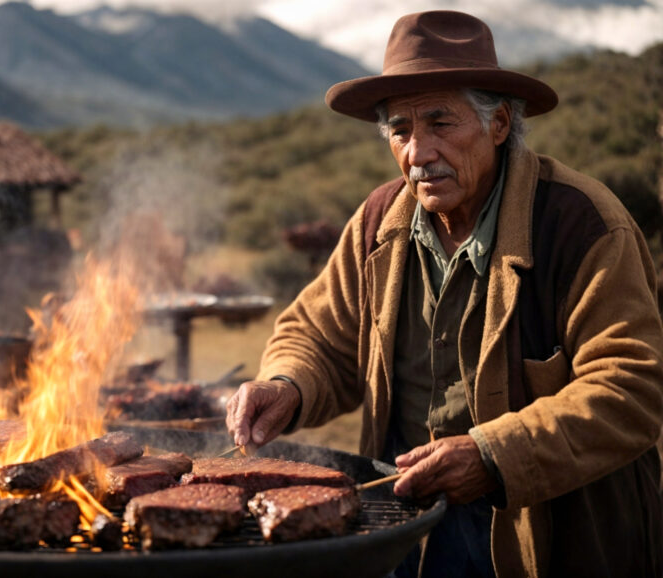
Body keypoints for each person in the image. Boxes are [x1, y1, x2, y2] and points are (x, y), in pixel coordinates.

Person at [226, 10, 663, 577]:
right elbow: (316, 335)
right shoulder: (380, 221)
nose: (418, 152)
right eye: (401, 130)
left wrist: (491, 455)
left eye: (441, 123)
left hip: (548, 535)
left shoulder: (580, 224)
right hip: (406, 521)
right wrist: (286, 383)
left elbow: (631, 388)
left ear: (500, 123)